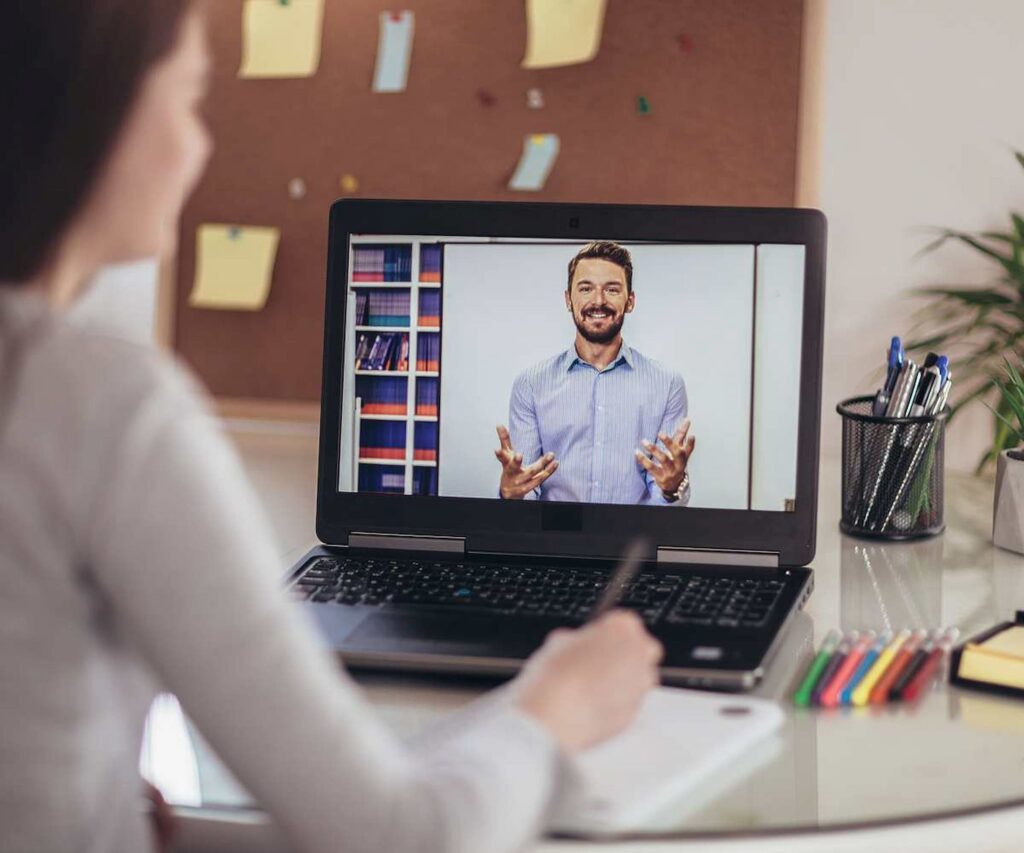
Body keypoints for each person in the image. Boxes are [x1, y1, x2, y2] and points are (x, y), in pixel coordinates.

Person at [0, 4, 664, 851]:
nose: (200, 146)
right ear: (92, 112)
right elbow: (406, 838)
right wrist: (558, 703)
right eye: (190, 98)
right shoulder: (101, 406)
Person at [495, 241, 696, 506]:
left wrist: (672, 488)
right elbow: (526, 484)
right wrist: (511, 493)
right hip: (553, 541)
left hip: (632, 541)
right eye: (586, 288)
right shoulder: (531, 384)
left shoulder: (667, 384)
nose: (598, 301)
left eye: (612, 289)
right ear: (568, 299)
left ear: (630, 301)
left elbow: (662, 488)